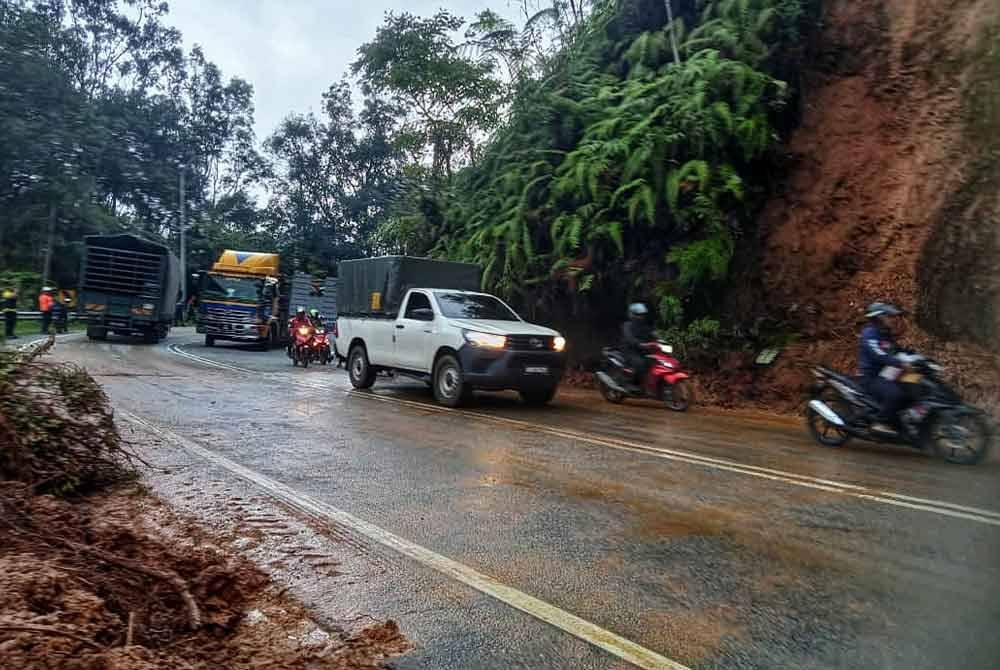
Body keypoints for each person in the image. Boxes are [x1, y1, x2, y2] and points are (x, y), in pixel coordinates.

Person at [858, 302, 908, 432]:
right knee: (895, 395)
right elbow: (878, 354)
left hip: (887, 374)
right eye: (889, 316)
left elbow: (896, 351)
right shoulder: (869, 334)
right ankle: (880, 422)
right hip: (871, 377)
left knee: (910, 388)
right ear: (879, 317)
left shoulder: (885, 333)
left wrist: (914, 358)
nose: (892, 319)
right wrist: (900, 363)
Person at [621, 302, 655, 387]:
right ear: (632, 315)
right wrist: (640, 344)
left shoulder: (645, 326)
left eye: (642, 315)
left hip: (643, 350)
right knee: (640, 363)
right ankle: (633, 384)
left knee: (654, 362)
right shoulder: (627, 325)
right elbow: (629, 338)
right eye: (638, 315)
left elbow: (652, 334)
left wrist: (659, 339)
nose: (641, 317)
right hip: (630, 350)